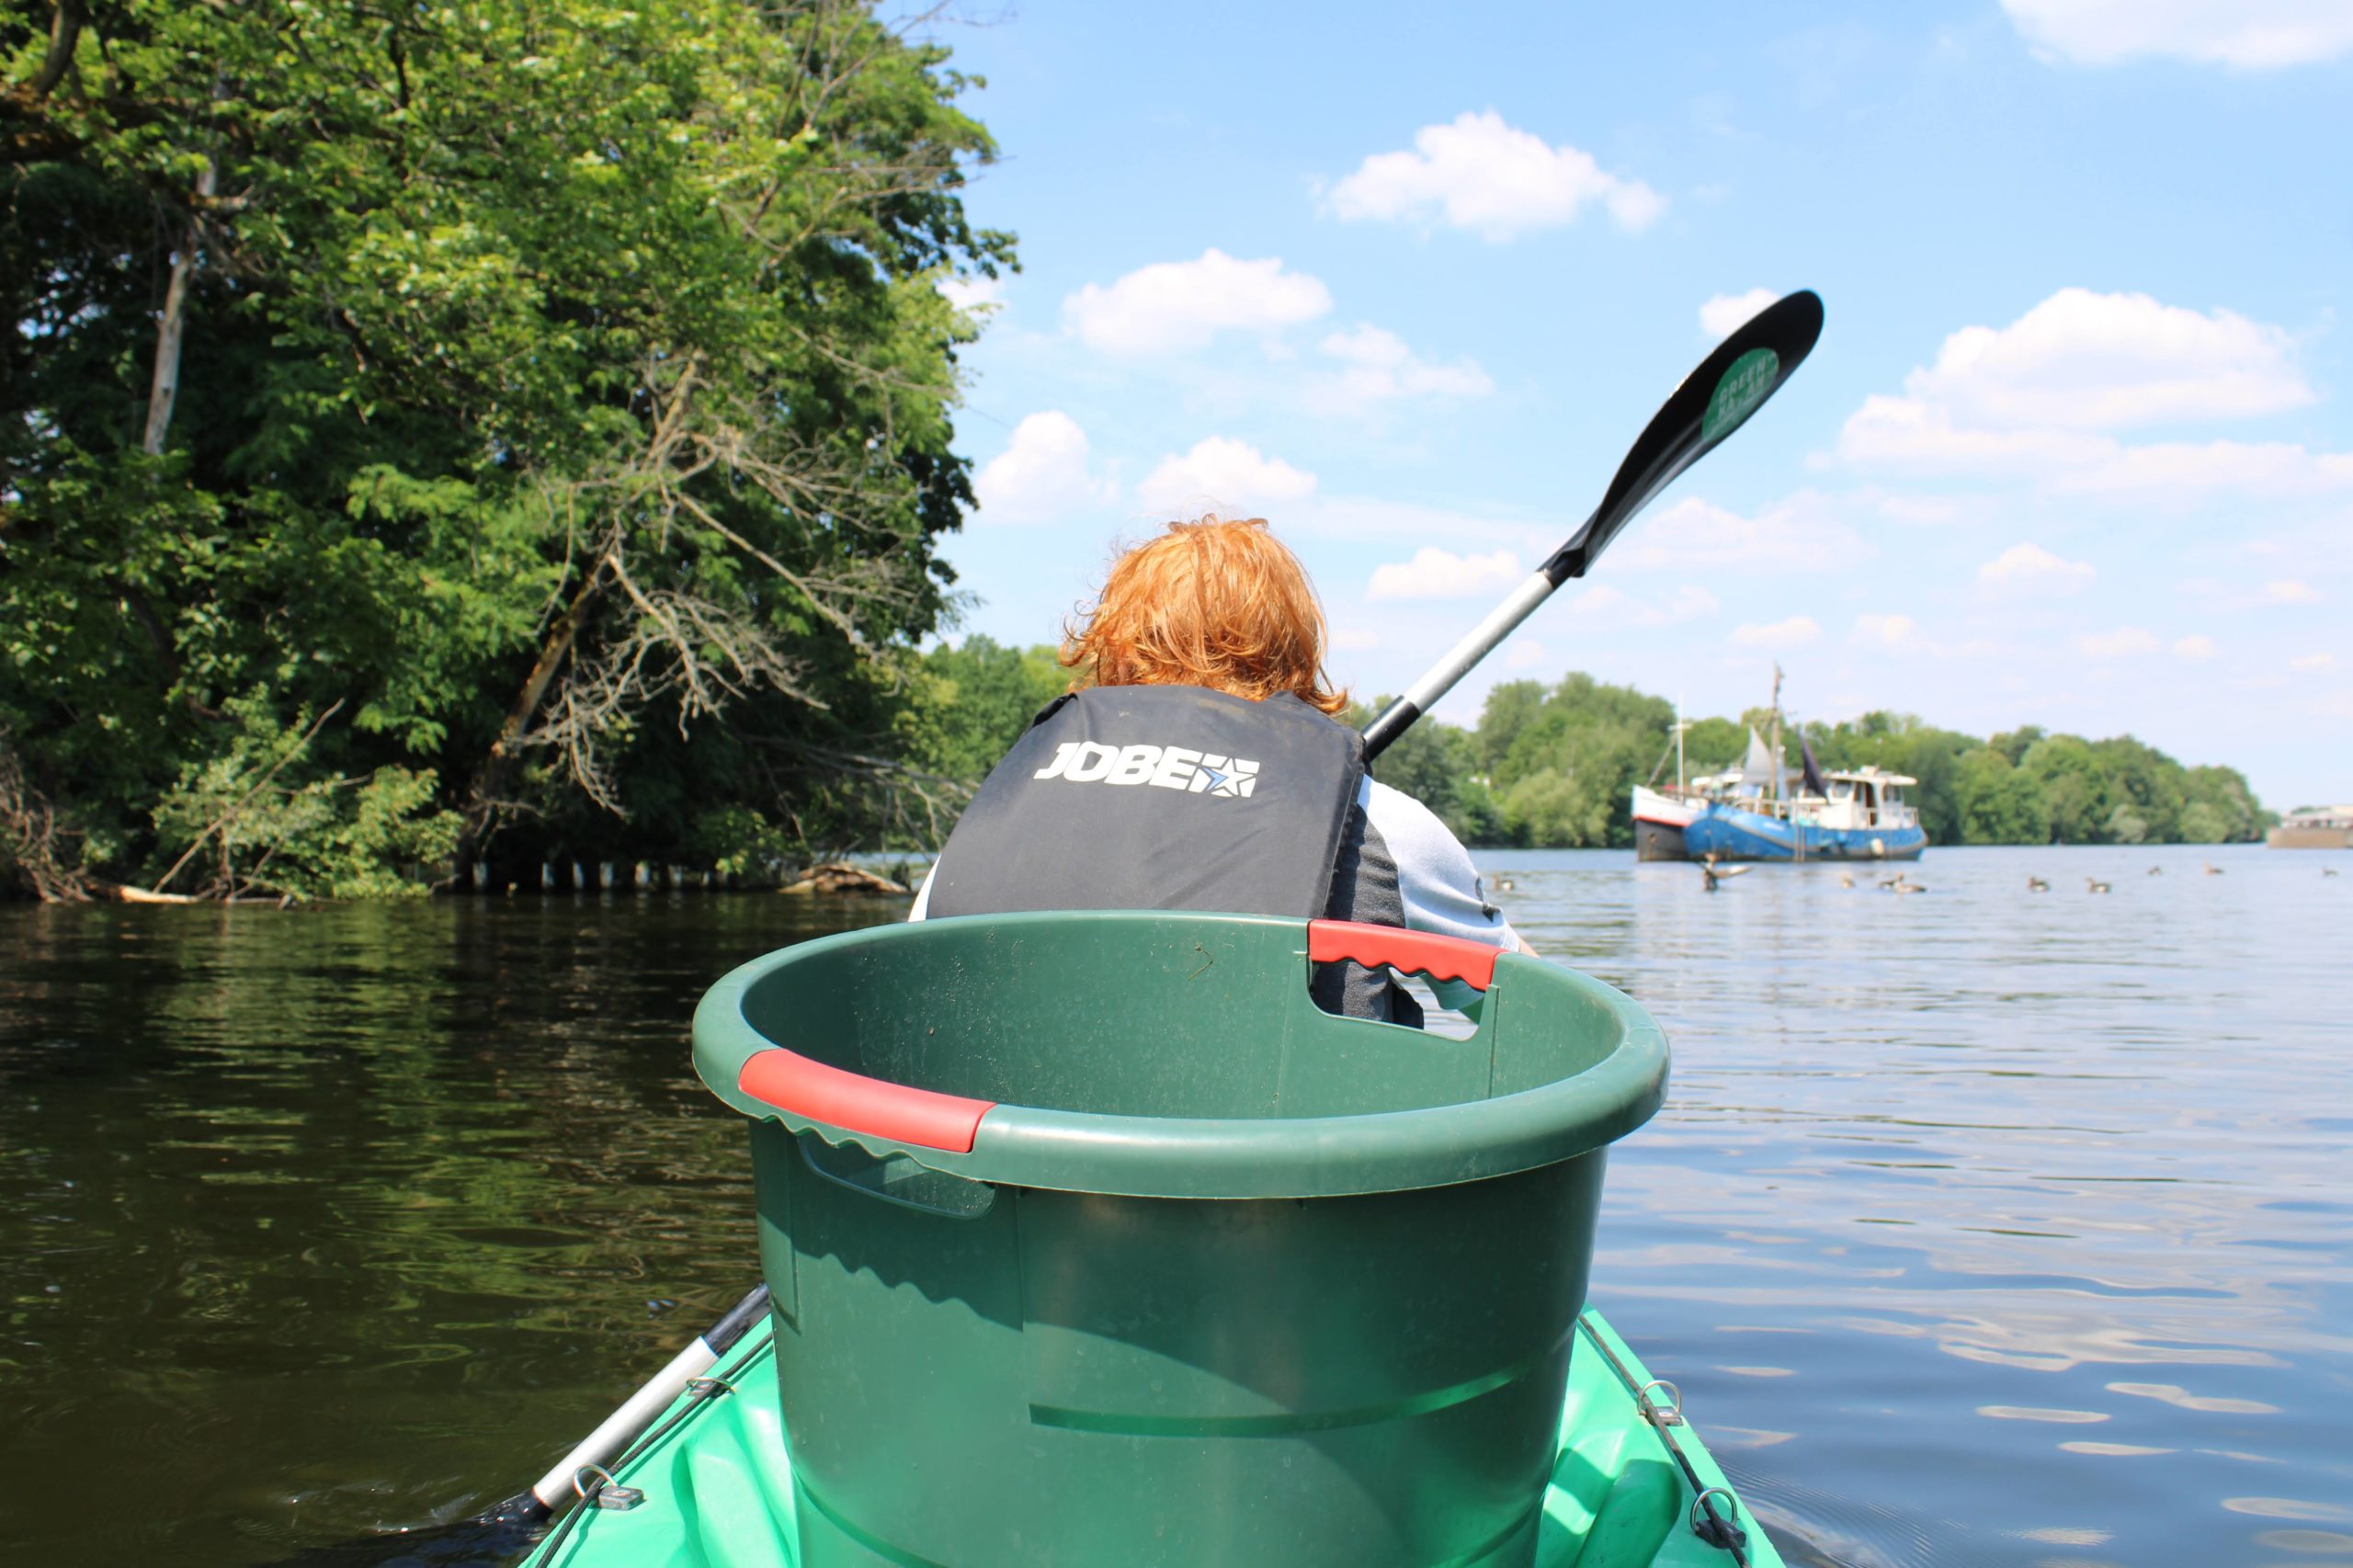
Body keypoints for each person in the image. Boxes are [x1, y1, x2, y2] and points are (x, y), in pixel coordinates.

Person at [910, 515, 1530, 1022]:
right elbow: (1550, 1015)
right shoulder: (1385, 828)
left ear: (1114, 648)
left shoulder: (995, 817)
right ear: (1295, 651)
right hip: (1288, 1174)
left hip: (1007, 1164)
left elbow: (896, 986)